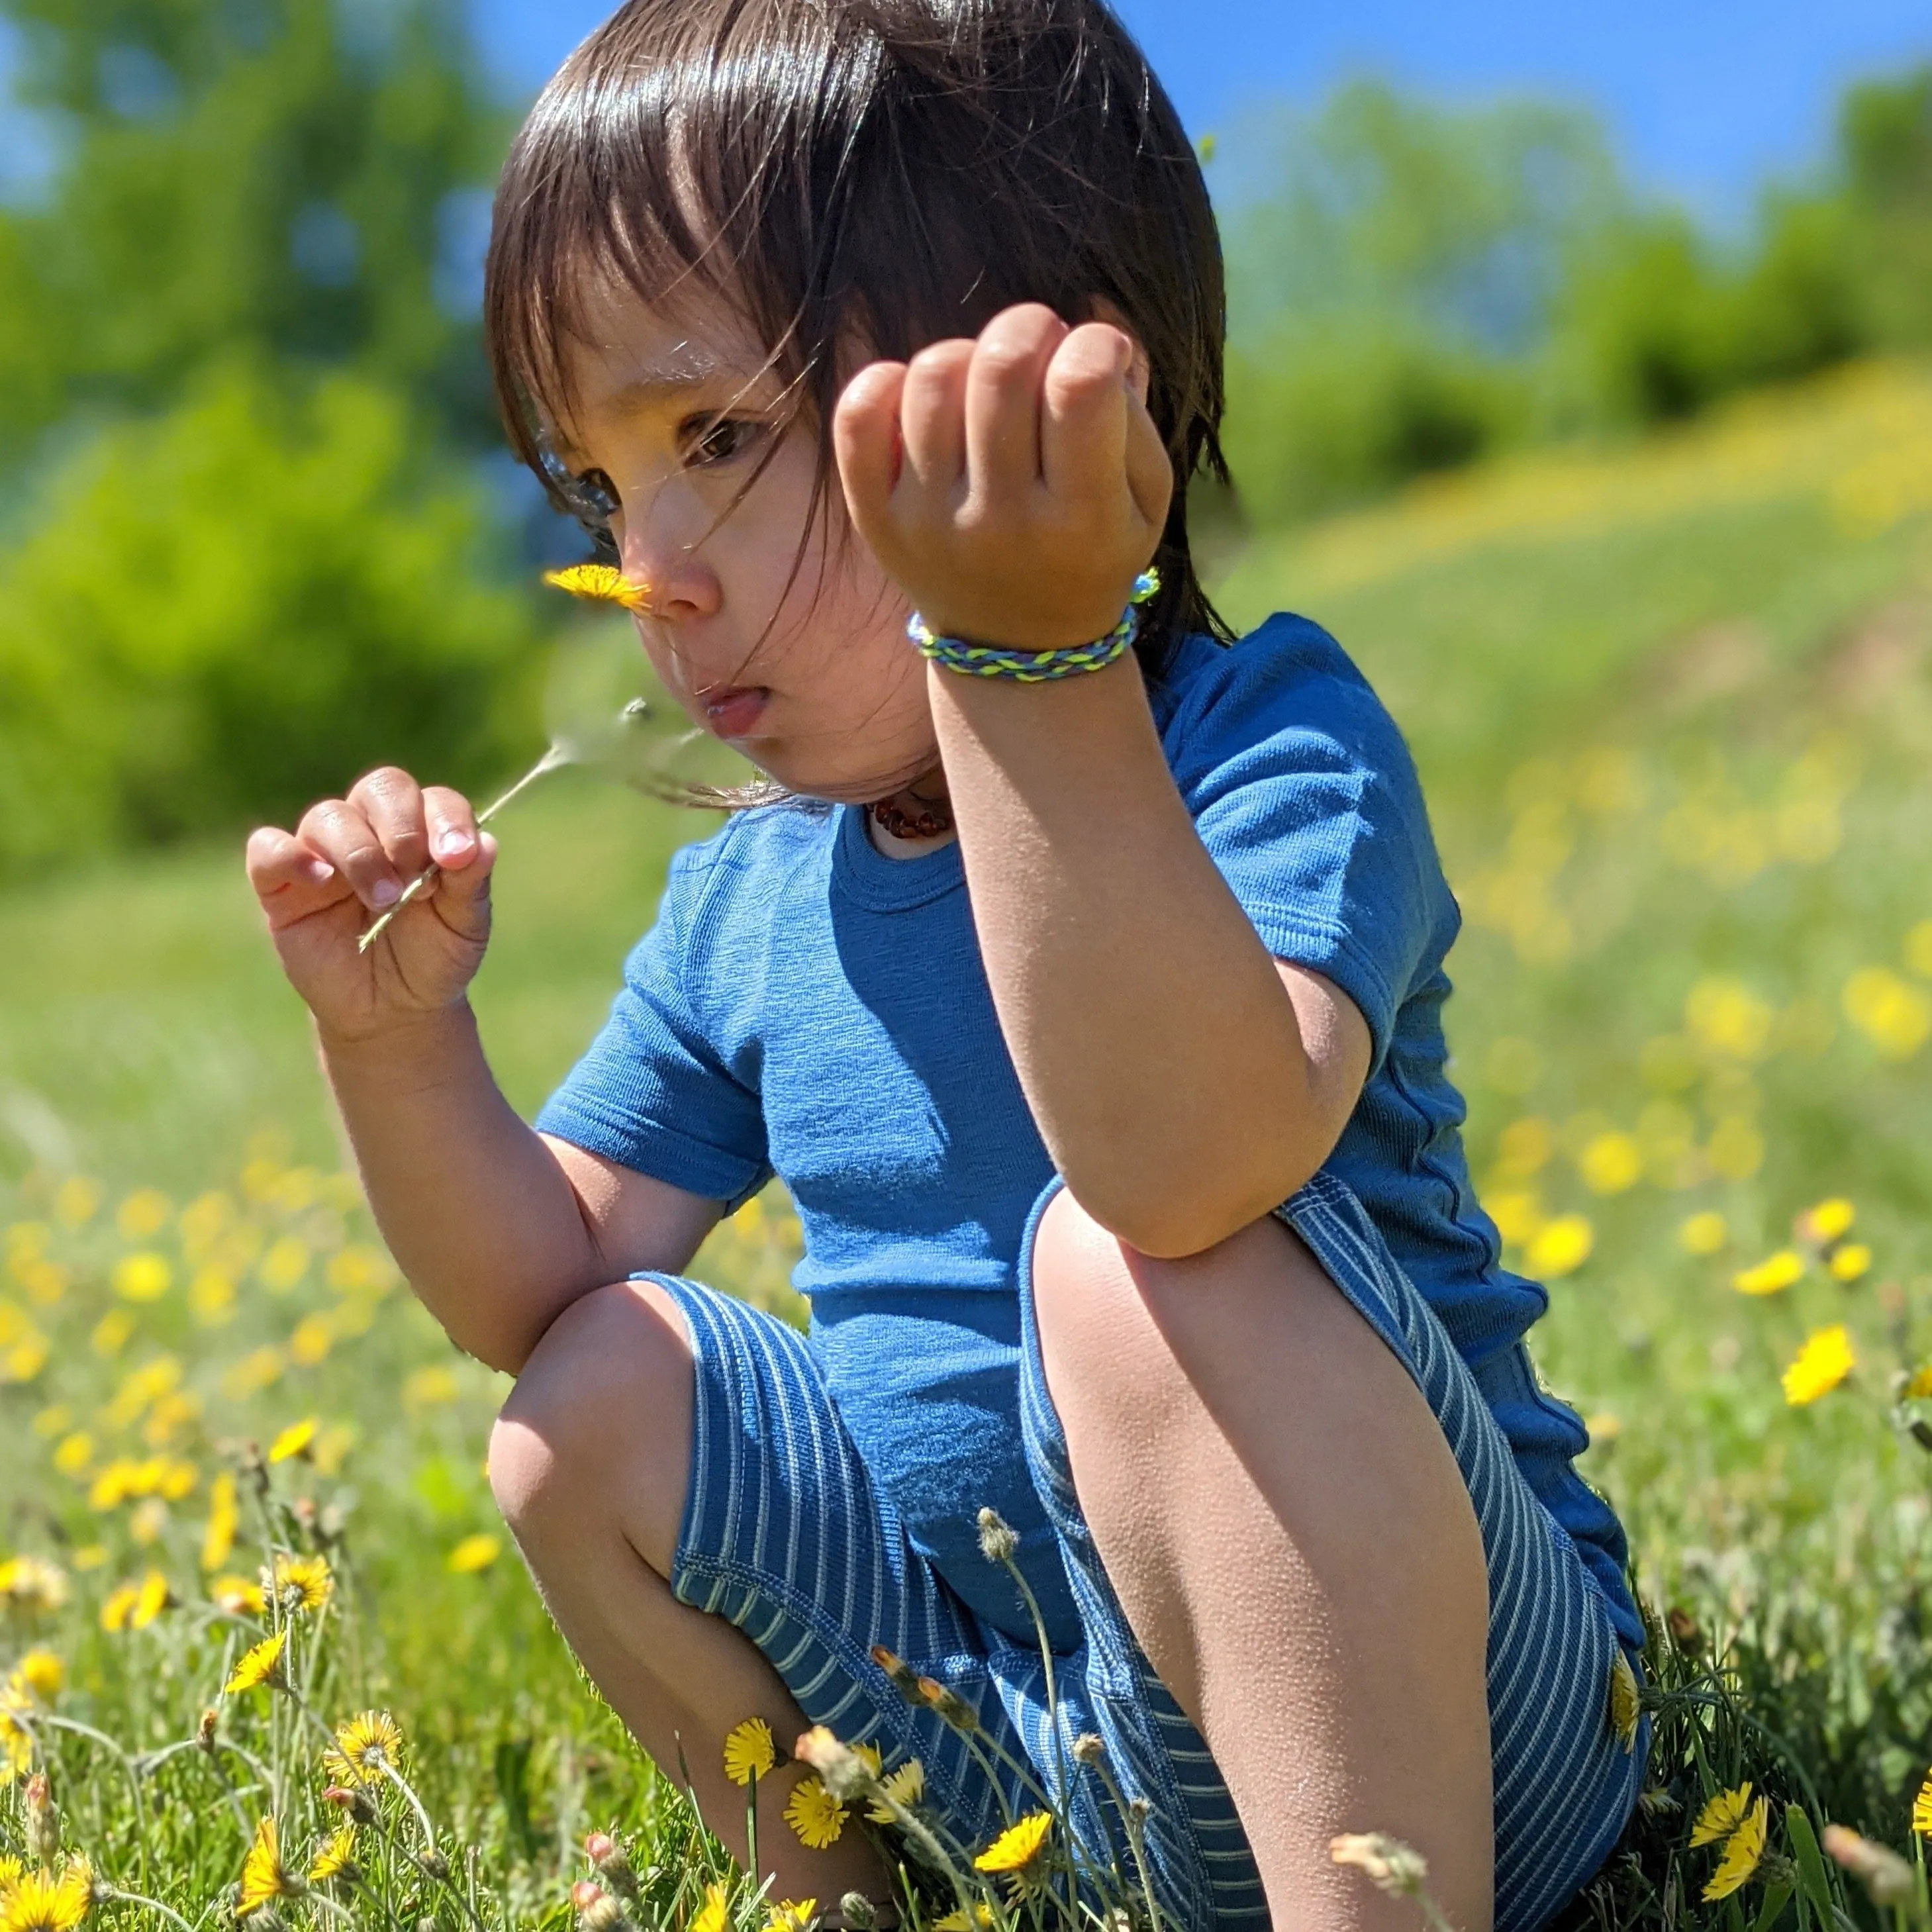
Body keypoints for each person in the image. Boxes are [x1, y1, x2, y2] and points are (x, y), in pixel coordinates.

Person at [245, 2, 1647, 1926]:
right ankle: (848, 1906)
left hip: (1461, 1725)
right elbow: (536, 1286)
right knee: (586, 1397)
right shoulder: (755, 895)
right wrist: (398, 1050)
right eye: (594, 490)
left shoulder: (1258, 743)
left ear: (1049, 390)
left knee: (1126, 1265)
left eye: (715, 439)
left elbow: (1183, 1166)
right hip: (1053, 1756)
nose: (649, 565)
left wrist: (1028, 669)